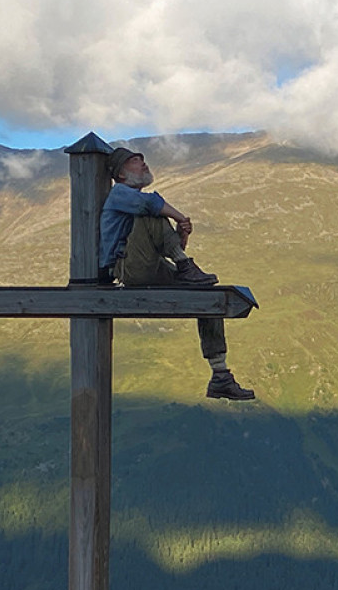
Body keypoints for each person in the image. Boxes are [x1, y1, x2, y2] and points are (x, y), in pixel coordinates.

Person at [100, 146, 254, 400]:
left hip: (148, 265)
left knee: (207, 295)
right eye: (136, 162)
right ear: (121, 174)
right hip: (128, 269)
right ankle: (185, 266)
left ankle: (220, 375)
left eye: (143, 160)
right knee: (151, 211)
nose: (144, 164)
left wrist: (182, 235)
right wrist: (180, 217)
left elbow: (164, 246)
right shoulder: (119, 194)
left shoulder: (131, 199)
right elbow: (152, 205)